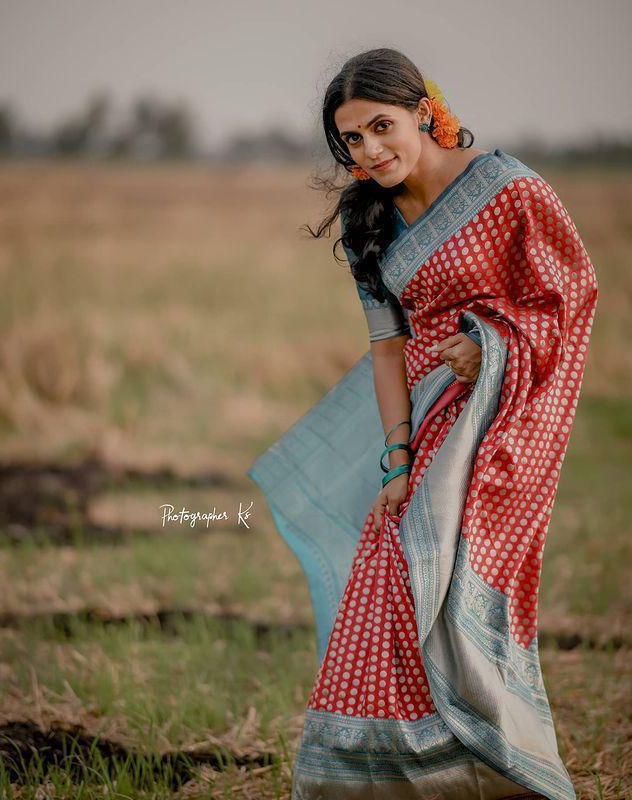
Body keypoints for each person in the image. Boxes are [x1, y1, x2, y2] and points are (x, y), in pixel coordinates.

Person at [247, 47, 598, 800]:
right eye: (352, 141)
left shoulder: (508, 191)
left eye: (382, 127)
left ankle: (506, 773)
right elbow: (386, 347)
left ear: (422, 111)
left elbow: (571, 293)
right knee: (390, 576)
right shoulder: (366, 215)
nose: (370, 151)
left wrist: (488, 345)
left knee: (453, 590)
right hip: (427, 424)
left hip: (503, 422)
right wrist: (397, 459)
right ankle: (387, 782)